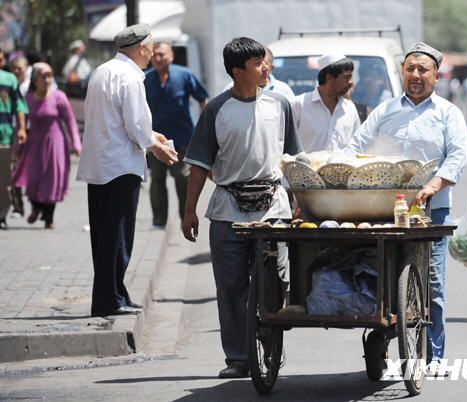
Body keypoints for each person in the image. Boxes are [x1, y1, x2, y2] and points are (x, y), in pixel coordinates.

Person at [182, 37, 302, 378]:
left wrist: (302, 203)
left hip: (273, 209)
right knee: (231, 286)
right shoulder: (216, 109)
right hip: (227, 211)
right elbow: (199, 165)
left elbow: (295, 160)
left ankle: (270, 342)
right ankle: (237, 357)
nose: (266, 68)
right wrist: (189, 210)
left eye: (265, 62)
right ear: (237, 71)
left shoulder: (280, 105)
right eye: (257, 64)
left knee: (274, 280)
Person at [348, 42, 467, 375]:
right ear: (402, 72)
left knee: (432, 285)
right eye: (410, 69)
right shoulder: (385, 111)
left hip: (432, 213)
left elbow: (457, 156)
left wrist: (434, 185)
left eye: (423, 70)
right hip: (385, 211)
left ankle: (436, 357)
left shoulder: (448, 113)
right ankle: (383, 337)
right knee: (380, 278)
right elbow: (356, 147)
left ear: (437, 76)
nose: (416, 75)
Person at [76, 24, 178, 317]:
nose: (151, 53)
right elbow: (135, 125)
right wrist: (155, 145)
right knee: (118, 236)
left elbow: (121, 120)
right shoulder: (132, 77)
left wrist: (151, 135)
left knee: (104, 235)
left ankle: (115, 294)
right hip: (120, 165)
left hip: (100, 164)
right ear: (141, 48)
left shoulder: (103, 71)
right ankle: (109, 300)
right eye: (150, 47)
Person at [144, 42, 209, 228]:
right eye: (154, 54)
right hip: (156, 141)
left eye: (162, 55)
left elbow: (203, 99)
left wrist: (206, 128)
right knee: (157, 180)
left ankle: (185, 219)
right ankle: (159, 220)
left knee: (183, 179)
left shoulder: (184, 75)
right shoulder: (145, 80)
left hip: (183, 139)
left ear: (171, 56)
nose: (157, 58)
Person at [10, 63, 80, 229]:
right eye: (43, 76)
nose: (47, 80)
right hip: (34, 144)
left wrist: (77, 144)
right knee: (33, 178)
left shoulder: (59, 97)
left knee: (52, 179)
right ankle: (35, 207)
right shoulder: (27, 98)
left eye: (49, 76)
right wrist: (17, 147)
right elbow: (21, 124)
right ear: (35, 79)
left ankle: (48, 217)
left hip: (55, 143)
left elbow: (70, 121)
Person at [290, 53, 360, 152]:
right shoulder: (299, 105)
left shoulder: (350, 109)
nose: (351, 82)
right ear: (330, 78)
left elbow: (356, 147)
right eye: (346, 77)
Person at [0, 48, 27, 229]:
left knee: (4, 180)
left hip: (4, 136)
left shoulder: (9, 79)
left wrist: (22, 128)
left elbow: (19, 106)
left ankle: (1, 216)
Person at [8, 54, 28, 216]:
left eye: (19, 68)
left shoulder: (30, 87)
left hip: (30, 134)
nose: (16, 71)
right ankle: (17, 205)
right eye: (13, 68)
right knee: (13, 170)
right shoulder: (8, 85)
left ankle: (38, 204)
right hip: (12, 134)